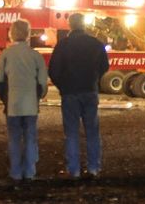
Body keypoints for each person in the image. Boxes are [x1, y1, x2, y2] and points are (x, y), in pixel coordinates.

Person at [48, 13, 109, 179]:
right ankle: (94, 168)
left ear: (70, 25)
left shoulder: (63, 45)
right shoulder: (95, 44)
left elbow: (53, 70)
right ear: (84, 25)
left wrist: (63, 86)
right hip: (89, 91)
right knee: (92, 131)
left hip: (70, 93)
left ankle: (73, 170)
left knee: (72, 133)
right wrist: (93, 80)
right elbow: (105, 65)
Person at [0, 19, 48, 182]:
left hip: (13, 104)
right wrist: (38, 96)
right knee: (30, 138)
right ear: (28, 34)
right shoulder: (35, 55)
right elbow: (43, 82)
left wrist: (4, 98)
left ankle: (15, 172)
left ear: (11, 33)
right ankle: (30, 171)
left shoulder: (6, 54)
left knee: (14, 138)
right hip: (31, 104)